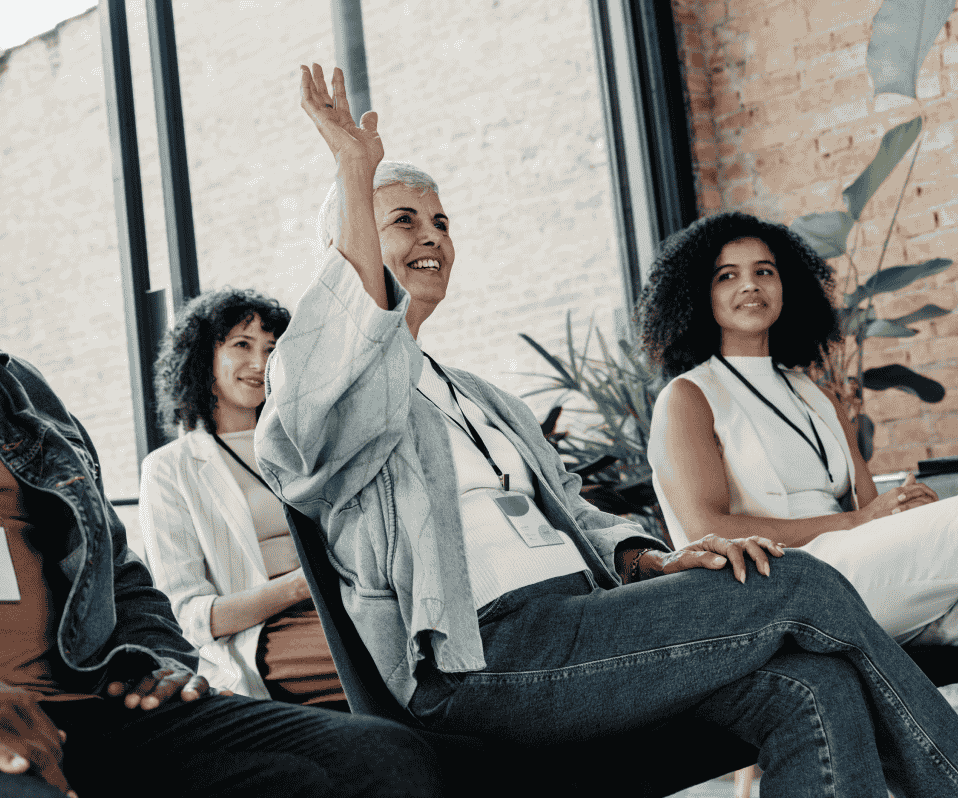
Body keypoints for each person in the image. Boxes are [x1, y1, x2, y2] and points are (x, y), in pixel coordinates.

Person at [254, 62, 958, 796]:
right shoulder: (321, 399)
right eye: (404, 220)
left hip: (584, 623)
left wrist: (649, 563)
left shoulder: (482, 396)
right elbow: (325, 379)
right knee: (799, 586)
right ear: (348, 242)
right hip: (481, 654)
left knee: (811, 686)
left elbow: (574, 506)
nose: (432, 236)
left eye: (441, 221)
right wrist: (352, 166)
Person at [0, 87, 442, 798]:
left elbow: (116, 571)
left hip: (93, 710)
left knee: (380, 761)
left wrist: (152, 656)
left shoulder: (15, 389)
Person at [640, 210, 958, 647]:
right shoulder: (688, 397)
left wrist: (904, 507)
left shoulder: (814, 393)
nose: (750, 285)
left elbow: (869, 507)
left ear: (787, 285)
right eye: (727, 276)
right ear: (699, 294)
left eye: (764, 271)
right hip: (781, 583)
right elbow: (704, 530)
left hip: (863, 564)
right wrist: (857, 521)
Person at [139, 288, 347, 709]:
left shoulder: (304, 445)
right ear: (202, 357)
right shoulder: (170, 468)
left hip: (347, 602)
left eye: (273, 349)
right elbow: (189, 616)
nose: (261, 364)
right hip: (267, 633)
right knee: (391, 657)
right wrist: (296, 587)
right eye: (241, 345)